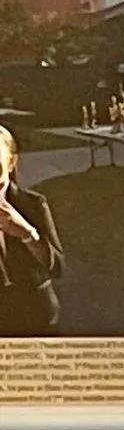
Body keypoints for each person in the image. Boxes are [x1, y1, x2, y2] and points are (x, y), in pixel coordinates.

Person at [0, 126, 66, 336]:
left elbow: (58, 267)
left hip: (37, 315)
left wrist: (27, 233)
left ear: (11, 162)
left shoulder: (33, 204)